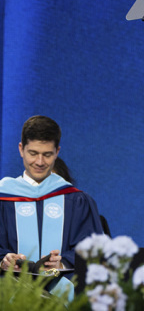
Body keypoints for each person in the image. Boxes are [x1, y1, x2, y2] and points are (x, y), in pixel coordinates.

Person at [0, 116, 104, 298]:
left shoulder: (76, 200)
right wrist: (4, 260)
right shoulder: (4, 196)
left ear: (57, 152)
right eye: (33, 153)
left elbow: (94, 251)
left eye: (47, 154)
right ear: (20, 149)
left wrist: (63, 264)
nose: (40, 162)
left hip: (62, 299)